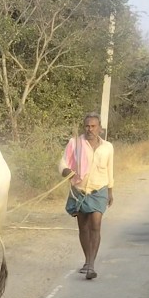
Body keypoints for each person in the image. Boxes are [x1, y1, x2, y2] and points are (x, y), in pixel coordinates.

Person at [59, 113, 114, 280]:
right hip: (79, 191)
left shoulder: (108, 147)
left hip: (100, 190)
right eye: (87, 126)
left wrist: (110, 190)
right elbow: (62, 162)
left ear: (100, 128)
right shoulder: (75, 143)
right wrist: (66, 171)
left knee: (95, 225)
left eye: (93, 126)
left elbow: (110, 169)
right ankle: (86, 260)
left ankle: (91, 264)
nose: (90, 129)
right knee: (83, 227)